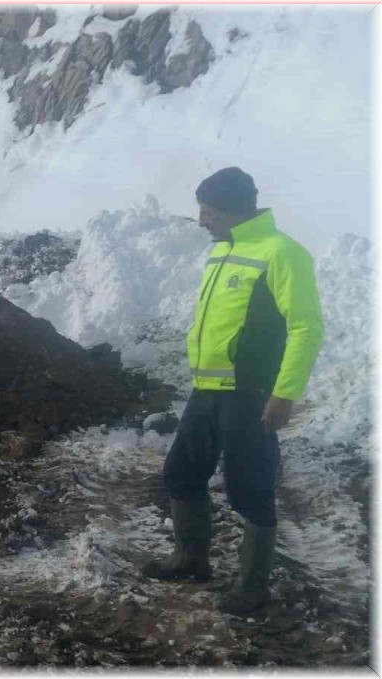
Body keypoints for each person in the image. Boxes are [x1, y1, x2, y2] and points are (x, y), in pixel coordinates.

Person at [141, 168, 324, 616]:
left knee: (250, 489)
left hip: (250, 395)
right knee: (181, 473)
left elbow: (307, 328)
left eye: (208, 211)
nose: (201, 221)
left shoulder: (283, 254)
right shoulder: (224, 250)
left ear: (232, 210)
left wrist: (284, 394)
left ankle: (252, 586)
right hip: (208, 390)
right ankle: (191, 559)